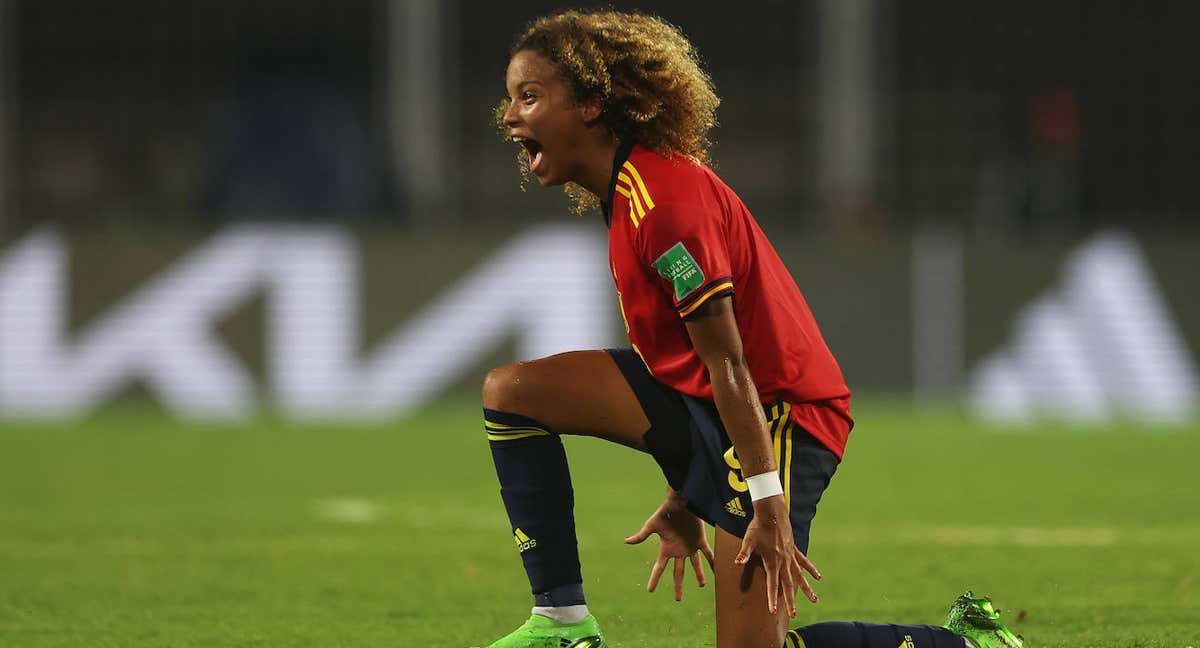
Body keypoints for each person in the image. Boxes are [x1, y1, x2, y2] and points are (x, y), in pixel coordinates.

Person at [478, 10, 1023, 648]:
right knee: (512, 392)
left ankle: (967, 643)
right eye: (512, 99)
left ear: (593, 104)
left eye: (530, 97)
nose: (510, 116)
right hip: (717, 403)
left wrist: (769, 503)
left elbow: (728, 363)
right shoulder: (628, 191)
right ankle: (561, 624)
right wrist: (687, 489)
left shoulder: (664, 204)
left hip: (783, 415)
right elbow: (684, 363)